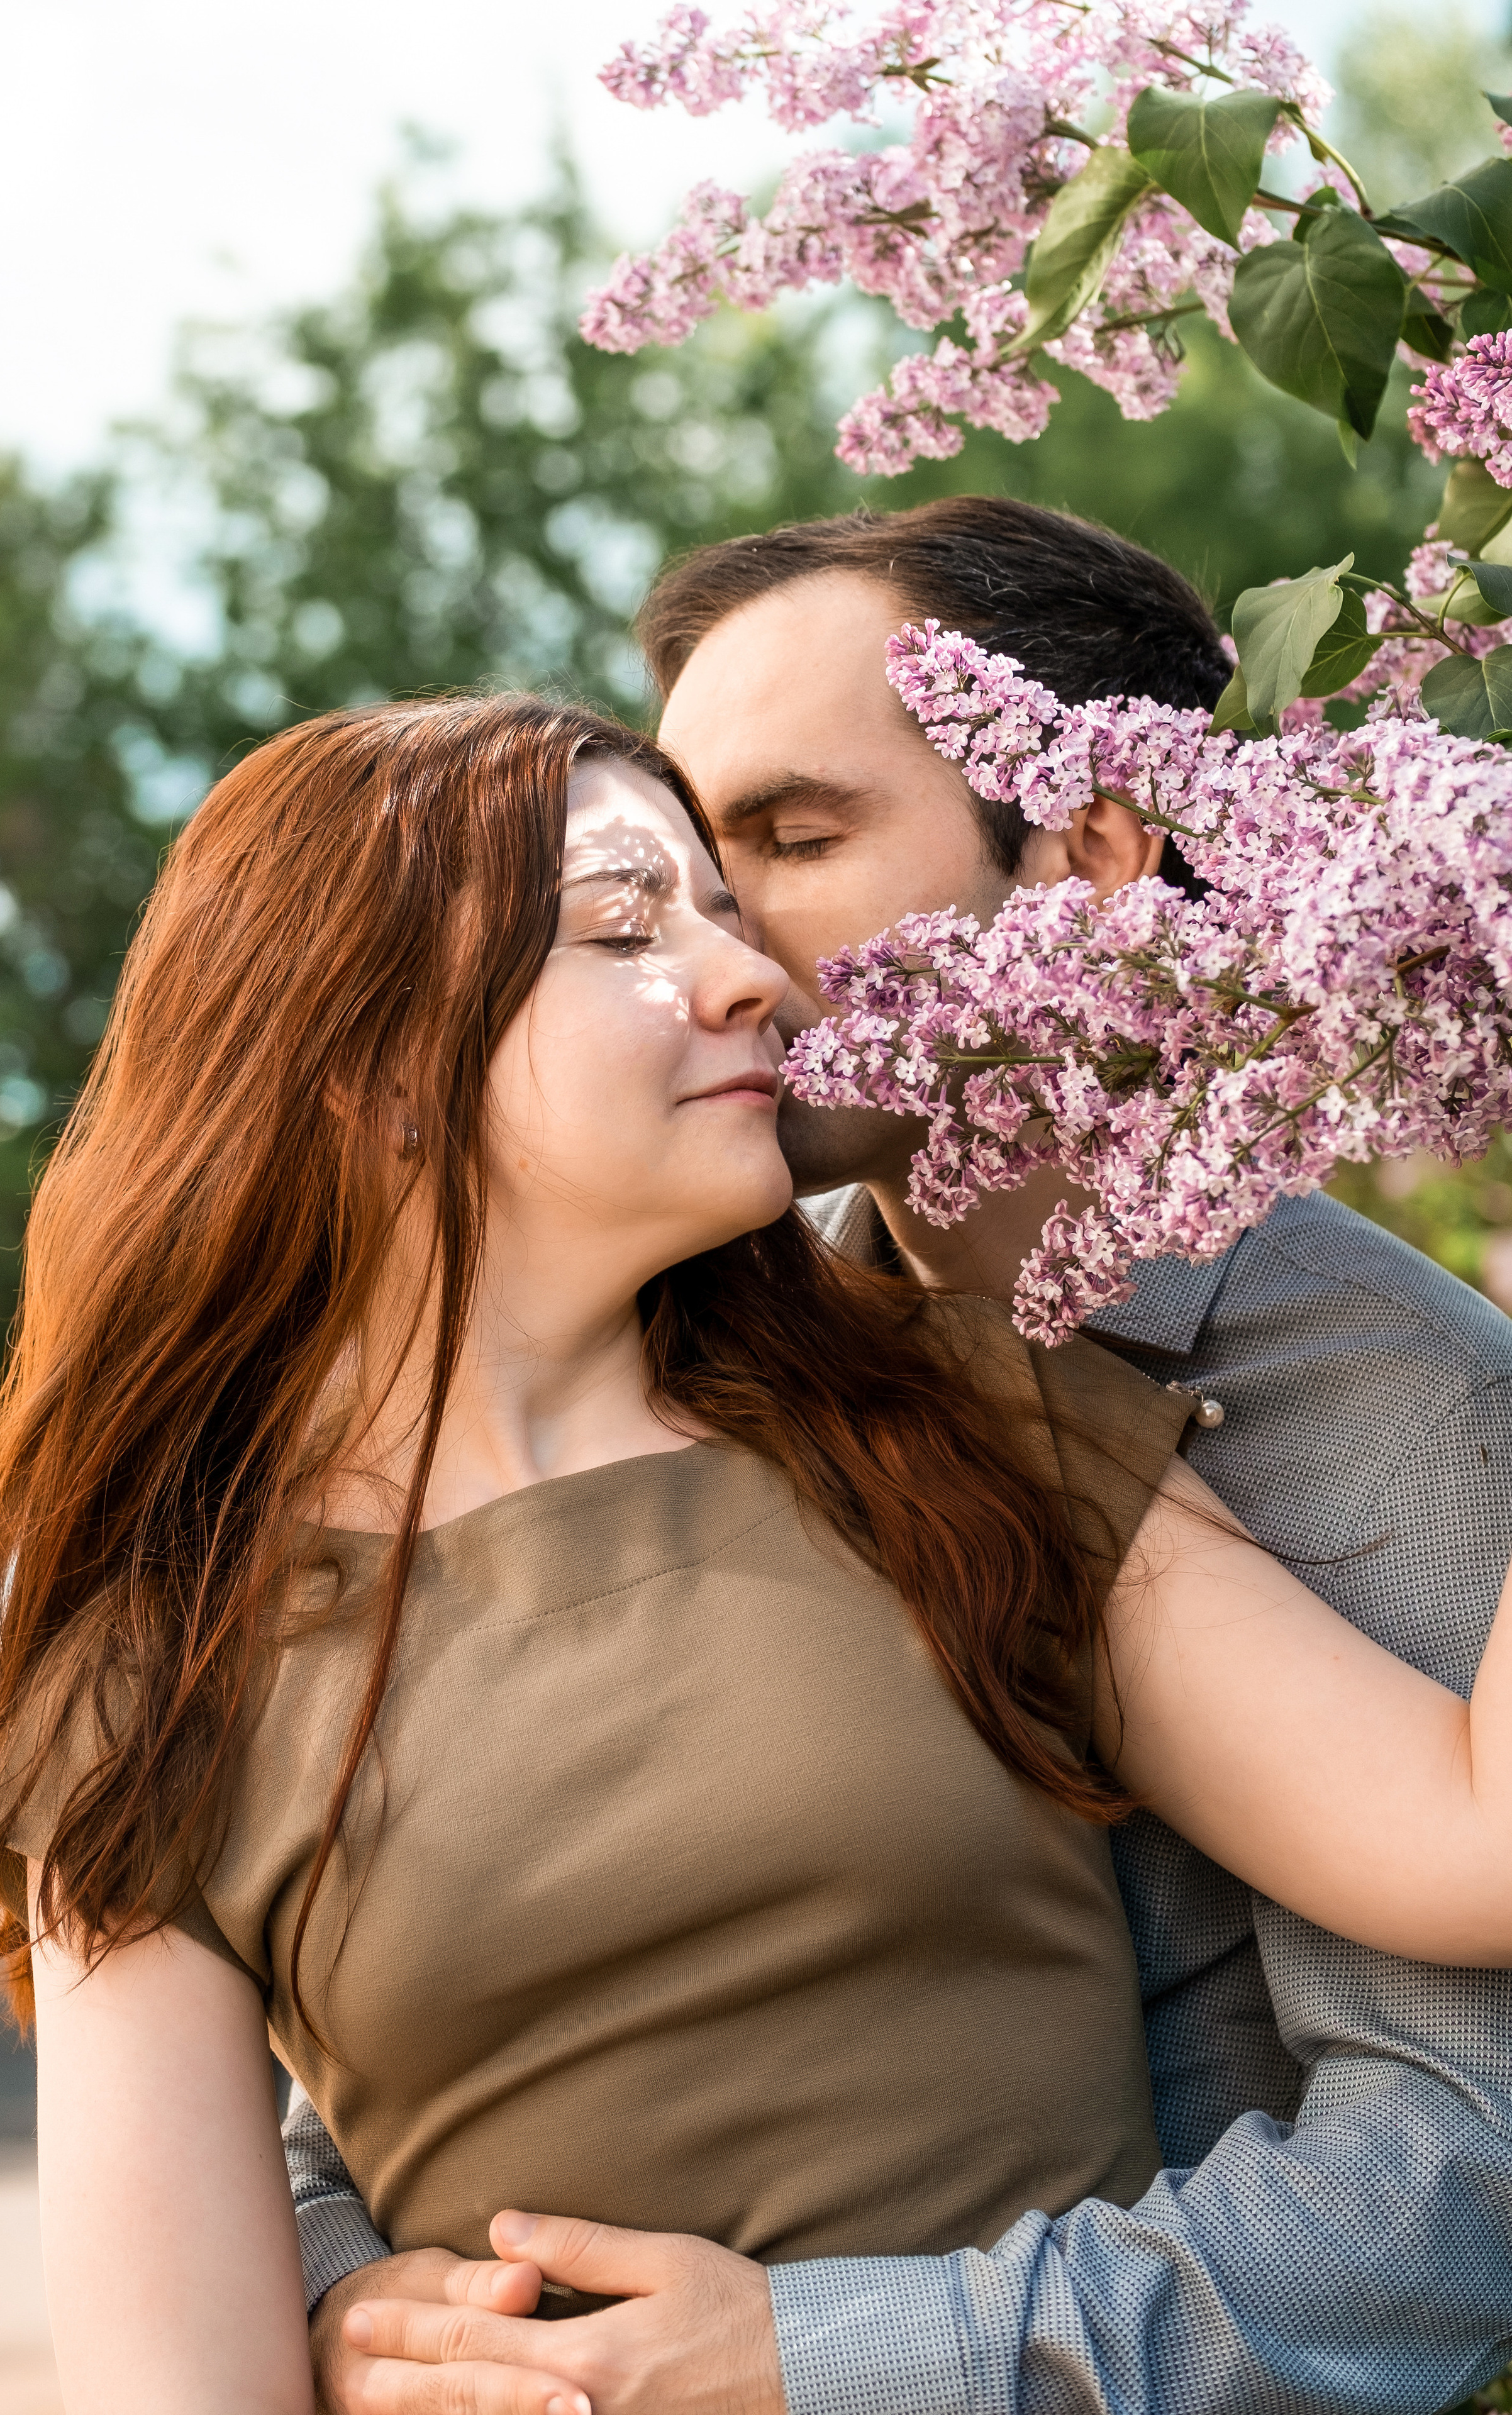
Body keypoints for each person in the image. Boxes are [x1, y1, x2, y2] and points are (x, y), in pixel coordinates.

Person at [297, 503, 1512, 2415]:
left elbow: (1459, 2180)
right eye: (671, 880)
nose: (727, 952)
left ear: (1094, 854)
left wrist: (829, 2361)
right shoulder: (751, 1382)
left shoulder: (1400, 1412)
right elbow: (436, 1962)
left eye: (790, 844)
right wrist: (359, 2297)